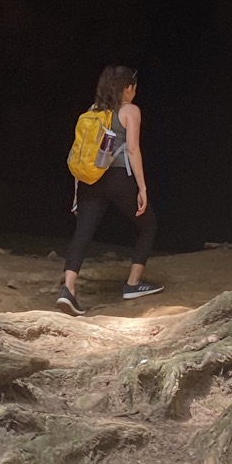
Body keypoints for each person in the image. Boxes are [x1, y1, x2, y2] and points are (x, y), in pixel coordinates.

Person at [58, 66, 164, 312]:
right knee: (148, 226)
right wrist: (142, 188)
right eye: (134, 87)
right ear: (128, 88)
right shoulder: (130, 111)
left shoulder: (92, 112)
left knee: (82, 232)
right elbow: (133, 150)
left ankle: (68, 290)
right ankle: (133, 284)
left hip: (90, 178)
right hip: (118, 177)